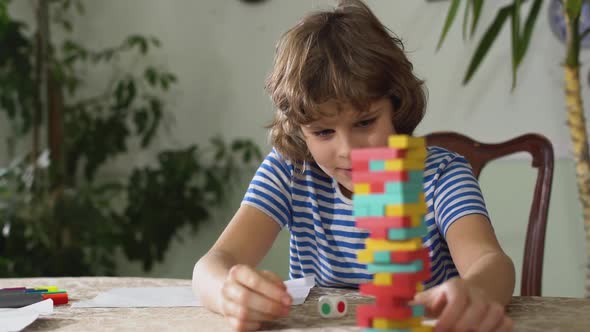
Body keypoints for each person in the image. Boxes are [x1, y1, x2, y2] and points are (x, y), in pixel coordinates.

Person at [192, 1, 515, 331]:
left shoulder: (442, 176)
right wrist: (227, 291)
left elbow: (492, 264)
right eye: (324, 132)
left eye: (365, 122)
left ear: (397, 106)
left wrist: (474, 292)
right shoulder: (290, 172)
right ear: (300, 129)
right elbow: (211, 265)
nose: (348, 150)